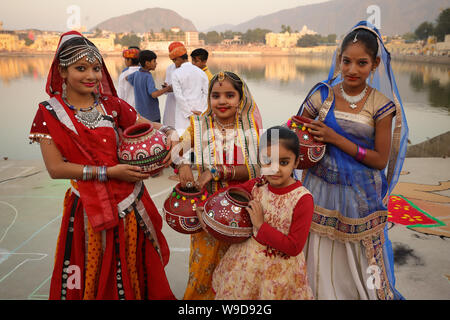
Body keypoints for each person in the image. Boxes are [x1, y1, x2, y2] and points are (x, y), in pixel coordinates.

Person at [28, 31, 177, 300]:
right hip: (87, 207)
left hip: (130, 203)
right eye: (80, 68)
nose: (91, 76)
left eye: (96, 68)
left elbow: (147, 126)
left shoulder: (111, 105)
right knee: (92, 269)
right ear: (62, 71)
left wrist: (171, 136)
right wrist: (109, 172)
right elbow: (55, 169)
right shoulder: (49, 112)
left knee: (133, 266)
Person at [296, 21, 408, 300]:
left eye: (362, 63)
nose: (352, 69)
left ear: (375, 63)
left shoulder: (380, 105)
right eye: (347, 61)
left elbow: (380, 160)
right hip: (319, 189)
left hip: (360, 196)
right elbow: (294, 132)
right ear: (339, 60)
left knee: (360, 260)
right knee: (318, 250)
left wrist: (335, 138)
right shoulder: (322, 95)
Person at [174, 71, 262, 299]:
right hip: (205, 211)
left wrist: (215, 171)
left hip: (242, 211)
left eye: (230, 95)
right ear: (208, 98)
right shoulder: (200, 125)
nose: (222, 101)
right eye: (216, 95)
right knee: (203, 270)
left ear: (241, 99)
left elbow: (257, 168)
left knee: (238, 272)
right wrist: (183, 164)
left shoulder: (249, 127)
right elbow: (177, 145)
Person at [212, 126, 314, 300]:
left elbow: (294, 247)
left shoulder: (302, 199)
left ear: (296, 163)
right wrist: (203, 205)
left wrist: (260, 225)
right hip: (247, 266)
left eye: (283, 162)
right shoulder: (258, 185)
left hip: (279, 274)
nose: (274, 169)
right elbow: (228, 193)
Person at [169, 42, 209, 135]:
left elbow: (179, 97)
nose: (175, 64)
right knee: (198, 142)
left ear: (179, 59)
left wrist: (188, 113)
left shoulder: (176, 73)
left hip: (183, 116)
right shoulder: (201, 72)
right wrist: (202, 111)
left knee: (183, 143)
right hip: (199, 113)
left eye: (174, 61)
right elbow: (207, 94)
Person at [127, 50, 170, 122]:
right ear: (147, 63)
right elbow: (153, 94)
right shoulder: (148, 76)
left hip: (141, 114)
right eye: (154, 61)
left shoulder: (137, 73)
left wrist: (139, 86)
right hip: (151, 115)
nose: (156, 63)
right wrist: (167, 88)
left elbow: (127, 78)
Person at [162, 42, 180, 128]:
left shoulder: (189, 68)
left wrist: (174, 88)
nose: (174, 61)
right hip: (171, 103)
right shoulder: (170, 68)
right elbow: (167, 84)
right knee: (169, 129)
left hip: (183, 104)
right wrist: (166, 87)